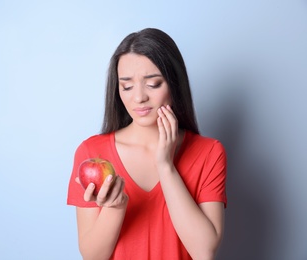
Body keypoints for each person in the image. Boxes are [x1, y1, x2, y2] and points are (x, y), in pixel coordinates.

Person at [67, 28, 227, 260]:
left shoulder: (209, 152)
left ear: (175, 84)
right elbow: (93, 256)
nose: (139, 97)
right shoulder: (92, 152)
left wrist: (166, 165)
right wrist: (115, 206)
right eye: (127, 86)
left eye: (153, 84)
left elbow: (204, 251)